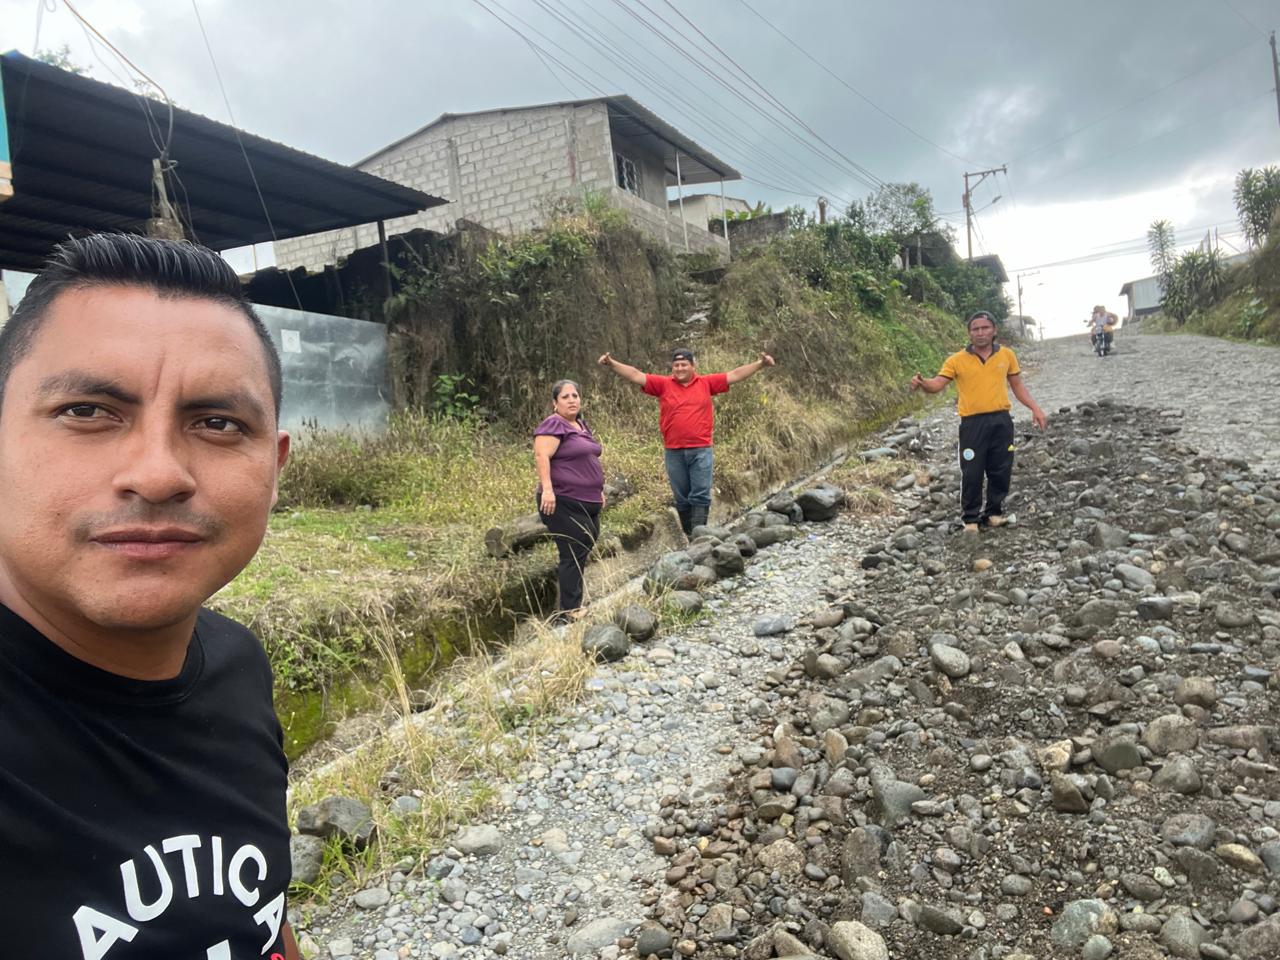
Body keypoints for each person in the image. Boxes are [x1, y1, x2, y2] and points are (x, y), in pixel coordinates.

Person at [0, 234, 300, 958]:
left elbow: (260, 917)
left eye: (218, 424)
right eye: (88, 411)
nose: (159, 474)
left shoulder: (236, 663)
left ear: (275, 468)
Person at [598, 347, 775, 535]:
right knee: (681, 497)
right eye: (676, 365)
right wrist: (611, 363)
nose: (680, 368)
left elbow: (735, 374)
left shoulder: (706, 383)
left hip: (701, 450)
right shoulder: (663, 384)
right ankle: (691, 536)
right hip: (674, 451)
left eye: (684, 364)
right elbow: (635, 375)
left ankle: (699, 538)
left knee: (700, 494)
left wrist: (760, 364)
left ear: (693, 366)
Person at [910, 310, 1047, 534]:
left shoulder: (1007, 355)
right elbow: (937, 384)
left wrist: (1035, 408)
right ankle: (971, 519)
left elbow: (1017, 386)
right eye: (976, 329)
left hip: (1001, 421)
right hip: (972, 425)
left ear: (994, 330)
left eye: (985, 328)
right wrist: (923, 383)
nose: (981, 332)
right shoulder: (956, 360)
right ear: (969, 333)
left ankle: (994, 513)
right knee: (972, 471)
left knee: (1001, 469)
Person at [534, 379, 605, 622]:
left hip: (587, 499)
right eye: (565, 397)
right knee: (573, 549)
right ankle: (569, 610)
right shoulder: (554, 424)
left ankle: (570, 603)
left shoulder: (580, 425)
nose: (572, 400)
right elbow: (542, 455)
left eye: (575, 395)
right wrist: (547, 490)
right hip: (561, 499)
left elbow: (588, 460)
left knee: (585, 543)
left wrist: (598, 489)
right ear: (555, 403)